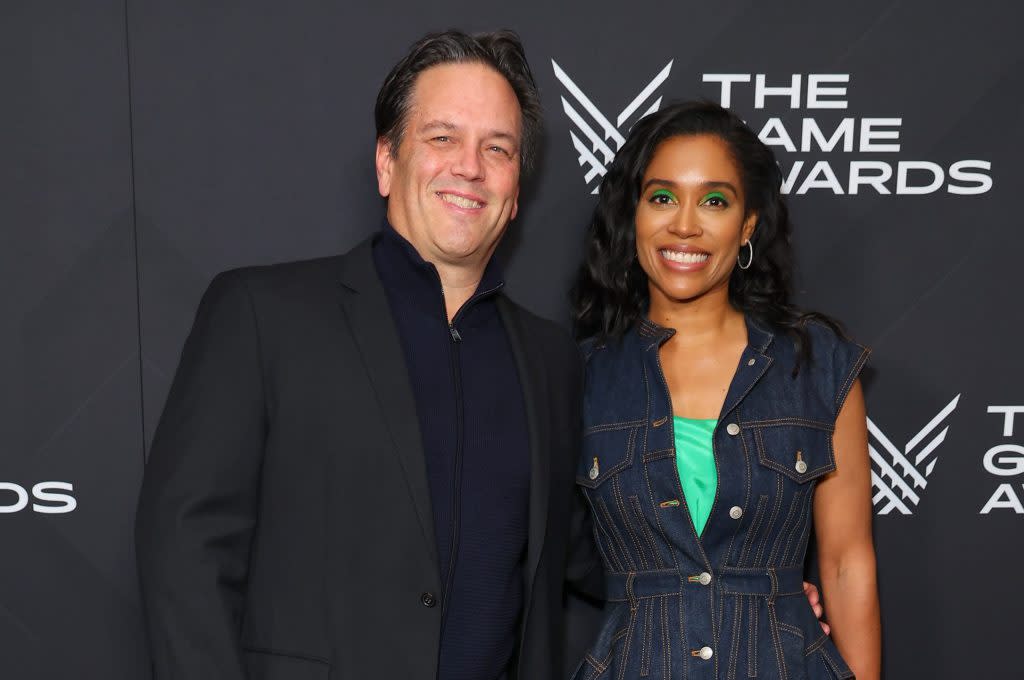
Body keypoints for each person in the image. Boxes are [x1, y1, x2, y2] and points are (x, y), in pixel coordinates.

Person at [134, 30, 590, 680]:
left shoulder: (552, 363)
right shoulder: (262, 315)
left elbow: (595, 559)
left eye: (498, 149)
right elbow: (183, 549)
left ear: (516, 191)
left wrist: (763, 578)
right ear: (386, 161)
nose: (470, 166)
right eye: (442, 138)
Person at [570, 101, 881, 679]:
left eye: (714, 200)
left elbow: (845, 564)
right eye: (662, 197)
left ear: (747, 226)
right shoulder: (580, 377)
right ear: (633, 215)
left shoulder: (814, 367)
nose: (684, 224)